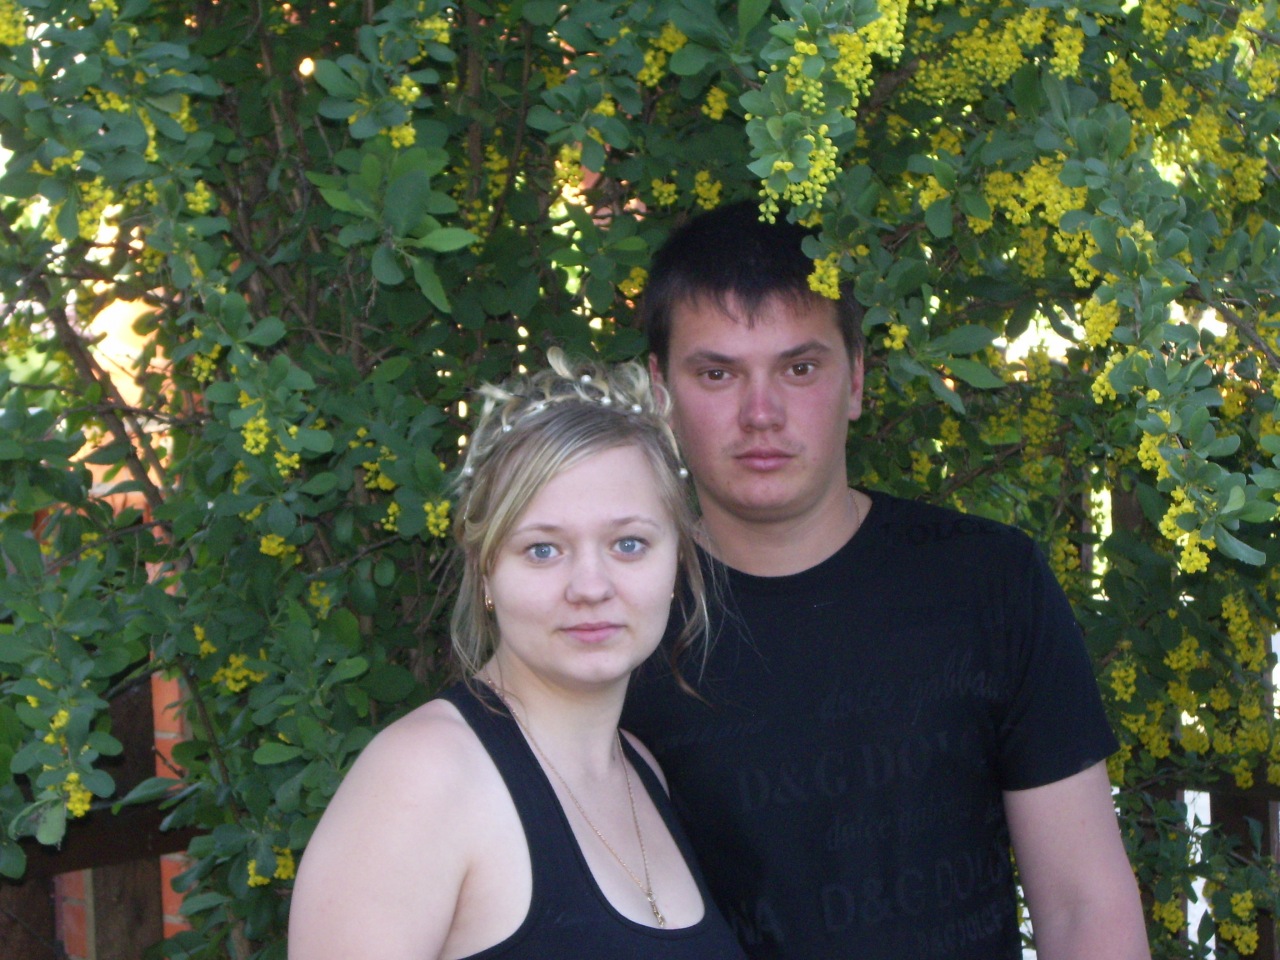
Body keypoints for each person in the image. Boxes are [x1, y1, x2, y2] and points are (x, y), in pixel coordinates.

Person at [621, 201, 1151, 960]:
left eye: (799, 368)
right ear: (661, 392)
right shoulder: (618, 617)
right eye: (717, 373)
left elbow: (1083, 905)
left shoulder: (987, 584)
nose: (761, 413)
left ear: (857, 379)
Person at [289, 350, 747, 960]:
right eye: (542, 550)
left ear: (677, 562)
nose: (590, 586)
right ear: (485, 571)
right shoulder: (423, 778)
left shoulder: (641, 770)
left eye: (629, 543)